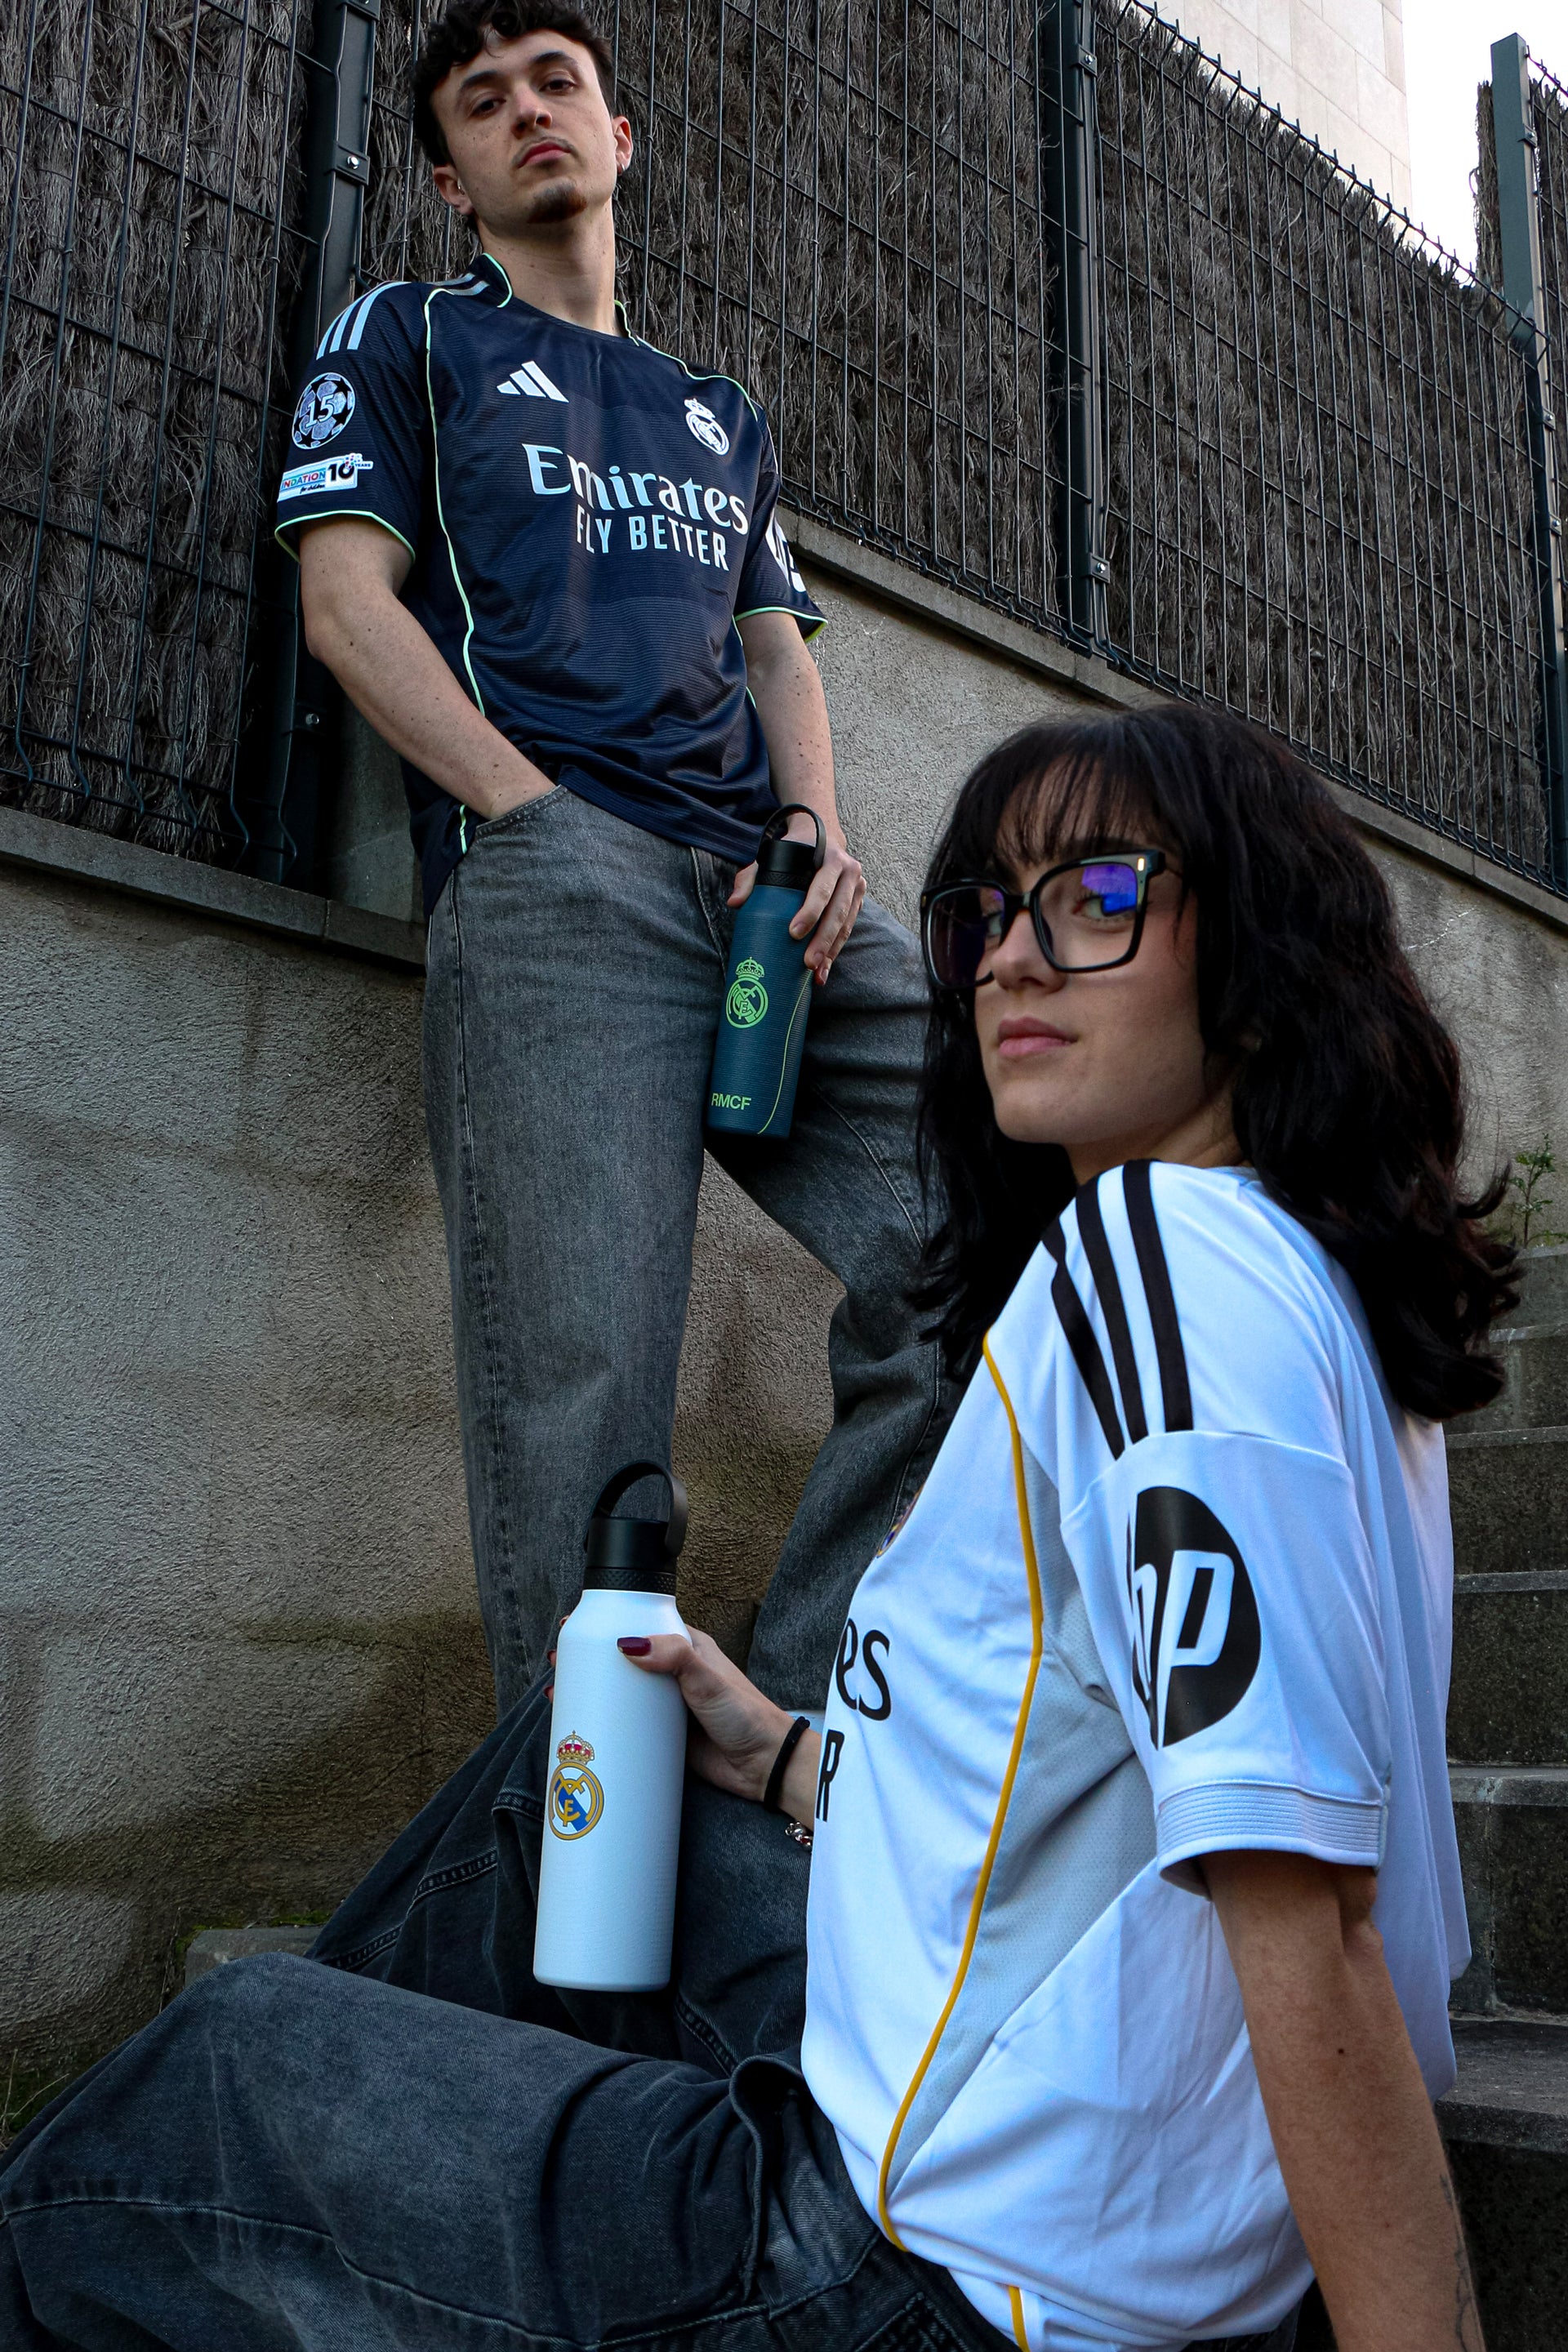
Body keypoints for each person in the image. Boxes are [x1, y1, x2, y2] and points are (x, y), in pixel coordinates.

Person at [0, 703, 1508, 2351]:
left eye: (1096, 898)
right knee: (573, 1775)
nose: (1011, 959)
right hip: (1053, 2144)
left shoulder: (1164, 1265)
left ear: (1265, 959)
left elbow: (1308, 1913)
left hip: (930, 2277)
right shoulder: (1296, 1280)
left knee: (216, 2083)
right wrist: (785, 1756)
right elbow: (1094, 1801)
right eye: (987, 912)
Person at [278, 0, 949, 1715]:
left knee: (997, 1240)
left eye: (556, 82)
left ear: (620, 135)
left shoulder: (716, 411)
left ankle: (798, 1742)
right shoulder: (407, 334)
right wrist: (532, 816)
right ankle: (580, 1847)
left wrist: (818, 829)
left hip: (770, 906)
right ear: (450, 177)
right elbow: (346, 605)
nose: (528, 111)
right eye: (482, 102)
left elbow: (778, 648)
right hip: (561, 891)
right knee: (584, 1413)